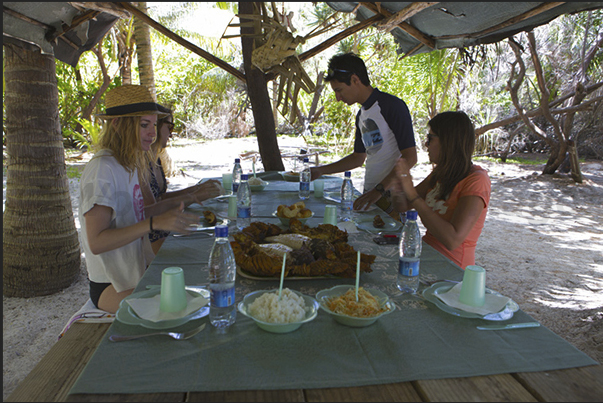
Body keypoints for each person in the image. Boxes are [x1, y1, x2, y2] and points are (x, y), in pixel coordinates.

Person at [79, 85, 200, 313]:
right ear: (117, 125)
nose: (152, 133)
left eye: (154, 125)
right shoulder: (102, 169)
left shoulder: (129, 163)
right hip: (110, 285)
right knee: (176, 310)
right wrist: (154, 223)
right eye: (144, 125)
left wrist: (184, 203)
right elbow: (96, 242)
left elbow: (142, 211)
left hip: (136, 273)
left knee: (199, 287)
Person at [310, 52, 417, 216]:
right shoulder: (362, 115)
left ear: (355, 80)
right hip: (371, 193)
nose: (338, 98)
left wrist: (380, 190)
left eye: (339, 90)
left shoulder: (392, 106)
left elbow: (410, 157)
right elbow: (358, 158)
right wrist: (321, 170)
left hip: (392, 196)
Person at [393, 111, 491, 269]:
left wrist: (412, 194)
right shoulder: (441, 173)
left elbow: (452, 240)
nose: (426, 144)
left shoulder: (477, 180)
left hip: (452, 270)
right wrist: (398, 185)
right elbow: (402, 205)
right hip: (427, 256)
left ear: (448, 142)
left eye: (430, 138)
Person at [140, 104, 222, 254]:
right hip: (150, 240)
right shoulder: (141, 163)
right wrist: (193, 196)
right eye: (169, 127)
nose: (170, 134)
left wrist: (197, 189)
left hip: (163, 230)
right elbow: (154, 209)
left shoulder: (156, 159)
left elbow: (161, 197)